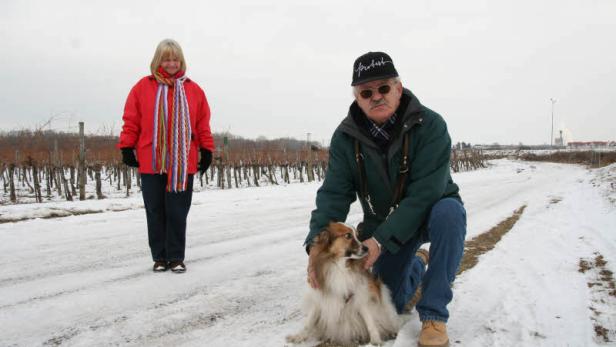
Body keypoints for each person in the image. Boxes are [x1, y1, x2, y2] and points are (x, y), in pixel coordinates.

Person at [305, 52, 466, 347]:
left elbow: (425, 194)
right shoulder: (345, 138)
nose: (376, 96)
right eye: (366, 92)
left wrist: (378, 242)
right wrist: (315, 248)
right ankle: (417, 263)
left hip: (431, 213)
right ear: (357, 97)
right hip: (384, 224)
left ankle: (434, 315)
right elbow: (333, 194)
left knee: (450, 214)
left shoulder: (430, 126)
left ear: (399, 88)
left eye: (383, 88)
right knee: (393, 300)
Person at [117, 39, 214, 274]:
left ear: (181, 61)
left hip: (183, 163)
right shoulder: (142, 87)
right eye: (166, 59)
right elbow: (132, 120)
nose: (171, 63)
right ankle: (159, 257)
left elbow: (202, 124)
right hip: (151, 160)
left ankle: (176, 257)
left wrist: (207, 149)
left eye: (175, 58)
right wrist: (127, 146)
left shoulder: (193, 89)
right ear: (158, 61)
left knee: (177, 211)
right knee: (155, 210)